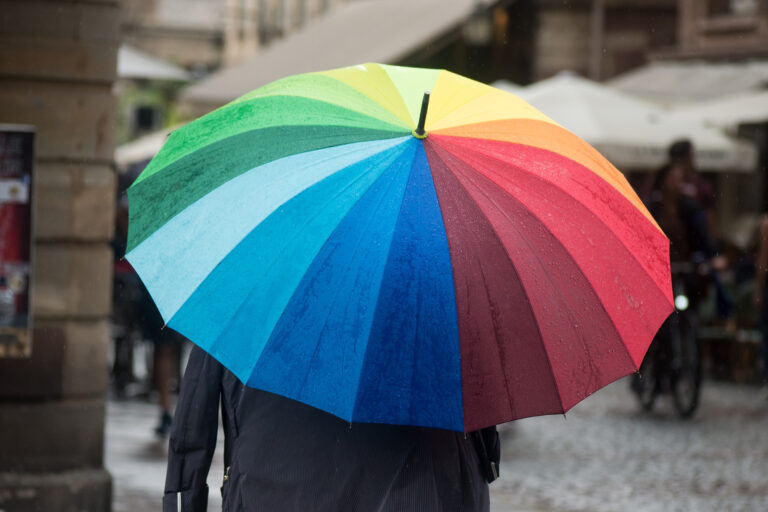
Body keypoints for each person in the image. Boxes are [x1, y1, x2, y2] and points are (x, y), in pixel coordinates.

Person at [162, 345, 497, 511]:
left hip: (274, 488)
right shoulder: (434, 277)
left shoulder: (248, 280)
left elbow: (193, 424)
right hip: (410, 484)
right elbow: (480, 403)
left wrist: (182, 501)